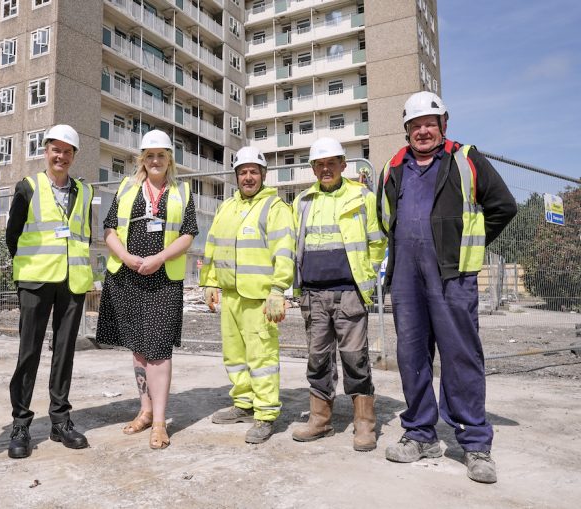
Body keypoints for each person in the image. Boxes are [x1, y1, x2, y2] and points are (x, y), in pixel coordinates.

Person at [377, 91, 517, 483]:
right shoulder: (394, 167)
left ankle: (474, 444)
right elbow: (383, 218)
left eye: (429, 124)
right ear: (407, 129)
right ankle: (421, 435)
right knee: (411, 356)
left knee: (460, 356)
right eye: (415, 125)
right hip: (406, 275)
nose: (422, 131)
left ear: (443, 125)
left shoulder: (465, 159)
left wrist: (464, 244)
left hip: (452, 274)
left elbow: (504, 206)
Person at [96, 129, 197, 449]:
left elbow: (188, 234)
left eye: (161, 155)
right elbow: (109, 230)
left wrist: (159, 258)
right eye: (150, 155)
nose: (156, 160)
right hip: (128, 277)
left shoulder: (183, 191)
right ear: (142, 159)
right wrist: (125, 257)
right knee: (138, 348)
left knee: (159, 351)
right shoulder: (127, 187)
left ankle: (159, 422)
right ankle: (145, 409)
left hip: (163, 278)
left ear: (170, 160)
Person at [290, 138, 386, 451]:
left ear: (344, 164)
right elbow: (295, 245)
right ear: (313, 168)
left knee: (354, 357)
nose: (326, 168)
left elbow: (377, 241)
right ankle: (321, 420)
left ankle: (364, 424)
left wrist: (368, 278)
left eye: (332, 162)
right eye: (319, 164)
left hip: (349, 292)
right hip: (313, 294)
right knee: (318, 359)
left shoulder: (362, 196)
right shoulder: (303, 201)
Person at [5, 125, 94, 458]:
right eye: (56, 149)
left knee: (64, 351)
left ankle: (60, 420)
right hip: (35, 280)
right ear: (46, 152)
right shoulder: (28, 187)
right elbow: (12, 236)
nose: (61, 156)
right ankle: (21, 424)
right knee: (28, 353)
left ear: (74, 156)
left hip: (72, 282)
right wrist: (32, 268)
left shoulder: (83, 192)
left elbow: (82, 234)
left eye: (68, 151)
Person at [200, 146, 295, 444]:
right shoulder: (226, 207)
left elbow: (284, 251)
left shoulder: (275, 207)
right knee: (235, 355)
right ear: (236, 176)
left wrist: (279, 289)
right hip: (230, 295)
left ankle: (266, 414)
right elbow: (212, 248)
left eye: (254, 171)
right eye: (243, 172)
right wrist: (210, 283)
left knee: (262, 356)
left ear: (263, 175)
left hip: (260, 298)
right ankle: (244, 403)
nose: (248, 177)